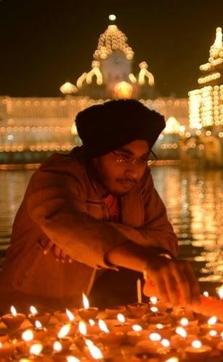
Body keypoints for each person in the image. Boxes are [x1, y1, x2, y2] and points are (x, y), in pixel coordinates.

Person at [0, 99, 200, 312]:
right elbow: (67, 224)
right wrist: (145, 256)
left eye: (142, 159)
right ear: (96, 154)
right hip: (26, 313)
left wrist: (99, 233)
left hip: (94, 313)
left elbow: (166, 241)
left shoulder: (138, 182)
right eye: (124, 157)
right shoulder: (58, 175)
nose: (134, 170)